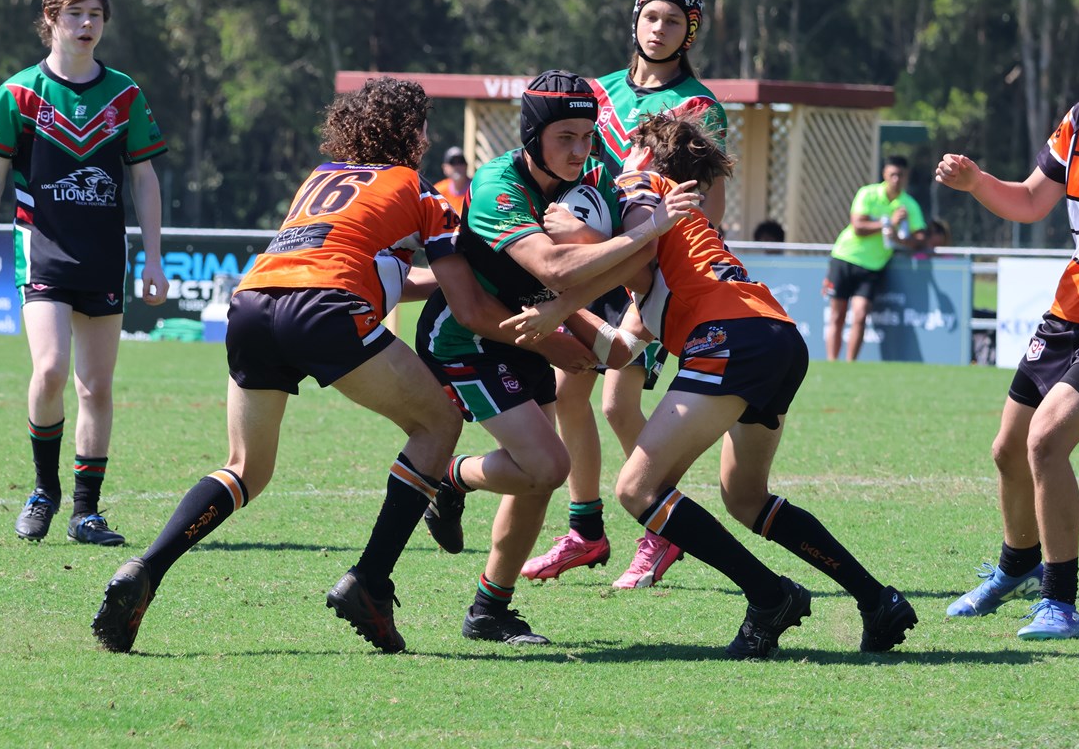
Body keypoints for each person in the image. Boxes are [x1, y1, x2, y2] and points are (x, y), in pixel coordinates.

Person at [90, 77, 545, 654]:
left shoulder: (320, 177)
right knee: (438, 426)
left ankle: (146, 569)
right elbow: (464, 302)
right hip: (326, 308)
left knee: (245, 467)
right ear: (410, 133)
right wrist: (542, 327)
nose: (429, 140)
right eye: (424, 127)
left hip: (254, 303)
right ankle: (371, 583)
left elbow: (377, 271)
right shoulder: (417, 188)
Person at [504, 114, 918, 658]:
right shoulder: (682, 245)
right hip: (776, 337)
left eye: (618, 151)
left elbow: (633, 245)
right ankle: (876, 600)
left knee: (636, 489)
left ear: (644, 156)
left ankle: (769, 597)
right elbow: (622, 350)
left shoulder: (640, 186)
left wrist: (560, 266)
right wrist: (561, 323)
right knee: (745, 498)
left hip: (730, 337)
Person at [417, 70, 702, 643]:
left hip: (532, 324)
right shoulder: (500, 181)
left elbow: (641, 267)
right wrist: (641, 235)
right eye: (563, 137)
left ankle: (489, 609)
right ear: (532, 137)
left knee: (538, 474)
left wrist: (620, 239)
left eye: (586, 135)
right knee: (548, 465)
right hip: (470, 337)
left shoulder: (596, 174)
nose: (579, 151)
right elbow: (553, 266)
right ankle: (451, 478)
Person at [936, 0, 1079, 640]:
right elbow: (1027, 202)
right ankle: (1015, 567)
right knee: (1006, 451)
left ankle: (1060, 601)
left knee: (1046, 442)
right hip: (1069, 311)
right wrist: (976, 183)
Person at [521, 0, 731, 589]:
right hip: (592, 260)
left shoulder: (699, 106)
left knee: (617, 403)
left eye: (671, 21)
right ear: (634, 21)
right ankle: (585, 532)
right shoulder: (595, 92)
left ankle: (662, 529)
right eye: (650, 17)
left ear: (688, 32)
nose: (657, 29)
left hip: (649, 270)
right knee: (567, 392)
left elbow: (707, 206)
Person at [0, 0, 169, 547]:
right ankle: (42, 491)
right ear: (50, 20)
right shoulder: (20, 92)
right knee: (51, 370)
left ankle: (86, 512)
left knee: (95, 388)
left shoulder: (125, 94)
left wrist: (154, 258)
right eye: (75, 14)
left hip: (103, 254)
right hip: (42, 246)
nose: (86, 25)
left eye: (95, 15)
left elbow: (145, 177)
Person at [823, 156, 927, 361]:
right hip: (845, 257)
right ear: (884, 175)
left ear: (906, 177)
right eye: (892, 175)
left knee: (860, 315)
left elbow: (920, 238)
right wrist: (889, 223)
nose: (896, 179)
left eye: (901, 175)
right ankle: (832, 363)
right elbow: (859, 227)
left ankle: (850, 364)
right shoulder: (868, 194)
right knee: (837, 315)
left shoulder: (909, 204)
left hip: (873, 266)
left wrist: (899, 239)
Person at [434, 145, 471, 213]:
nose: (457, 166)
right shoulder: (438, 192)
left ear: (466, 165)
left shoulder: (476, 190)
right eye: (452, 162)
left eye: (460, 162)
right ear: (444, 168)